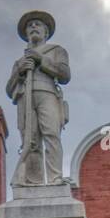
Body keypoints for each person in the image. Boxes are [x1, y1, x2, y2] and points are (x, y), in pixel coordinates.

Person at [6, 10, 70, 186]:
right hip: (25, 97)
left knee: (52, 134)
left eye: (37, 24)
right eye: (30, 25)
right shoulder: (20, 61)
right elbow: (9, 89)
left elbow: (65, 75)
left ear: (46, 32)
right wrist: (19, 73)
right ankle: (33, 180)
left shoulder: (57, 51)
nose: (33, 27)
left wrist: (41, 60)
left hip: (47, 93)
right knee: (30, 140)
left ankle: (55, 177)